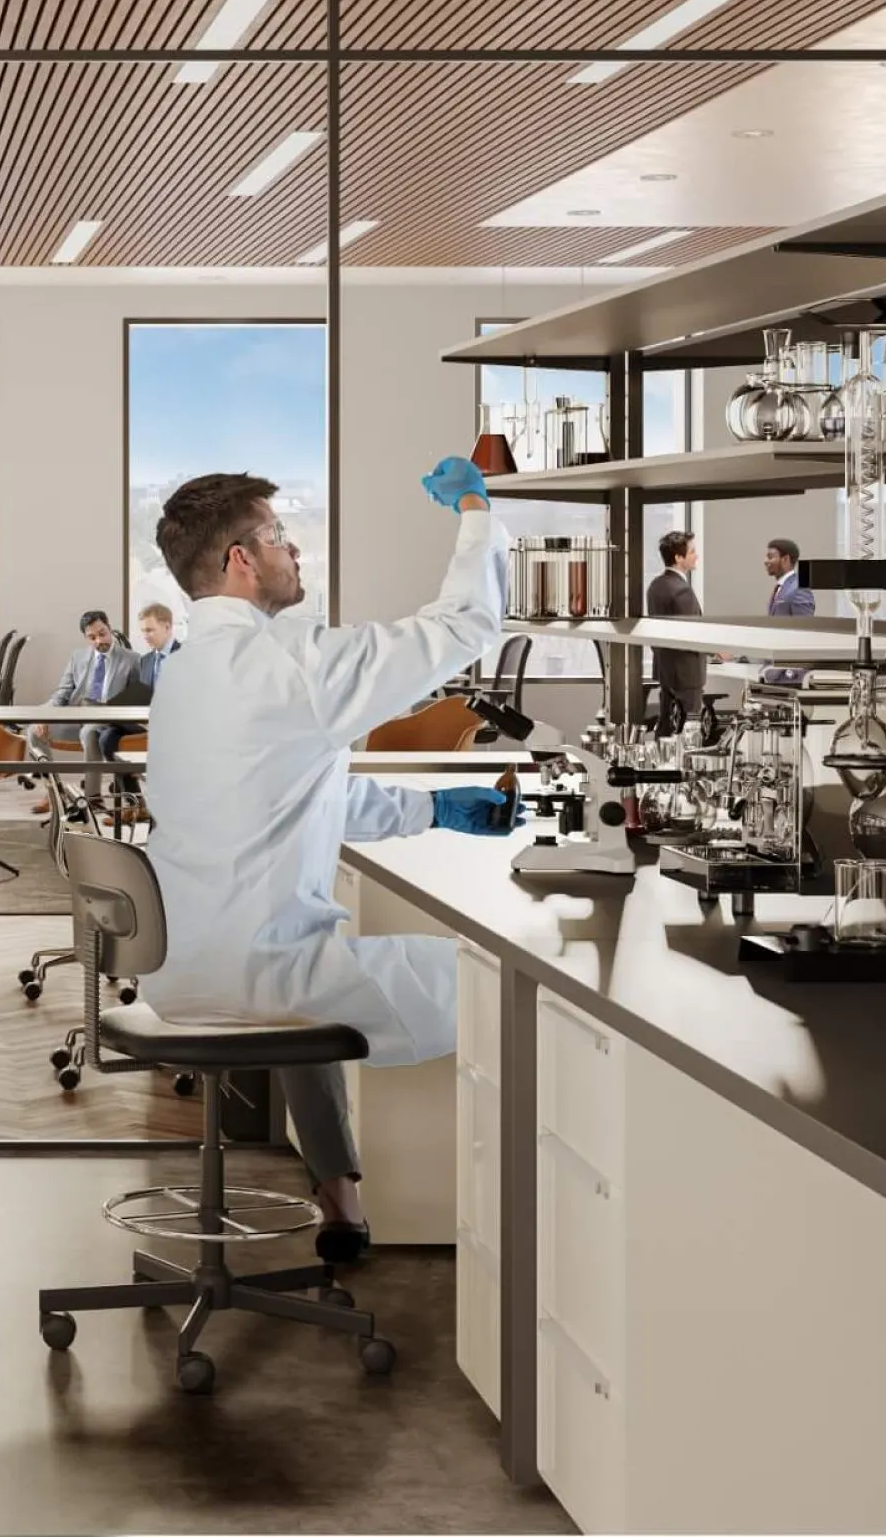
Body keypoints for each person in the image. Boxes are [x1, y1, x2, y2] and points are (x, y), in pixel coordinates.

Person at [140, 460, 513, 1262]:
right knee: (515, 990)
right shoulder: (293, 666)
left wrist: (430, 809)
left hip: (176, 972)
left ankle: (339, 1196)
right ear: (242, 558)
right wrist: (478, 510)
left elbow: (284, 800)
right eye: (279, 535)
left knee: (314, 988)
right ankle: (535, 1242)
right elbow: (464, 627)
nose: (294, 548)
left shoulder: (183, 674)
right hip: (266, 978)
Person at [36, 610, 140, 815]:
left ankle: (93, 799)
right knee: (33, 730)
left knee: (89, 732)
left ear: (110, 629)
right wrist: (45, 714)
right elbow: (63, 691)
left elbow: (135, 700)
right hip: (77, 715)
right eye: (92, 637)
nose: (99, 640)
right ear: (86, 638)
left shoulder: (132, 660)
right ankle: (54, 793)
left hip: (106, 718)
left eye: (103, 633)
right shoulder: (78, 657)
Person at [94, 603, 178, 804]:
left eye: (150, 630)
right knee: (107, 737)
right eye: (143, 631)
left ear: (167, 626)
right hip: (144, 722)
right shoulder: (146, 660)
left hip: (172, 726)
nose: (146, 636)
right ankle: (135, 801)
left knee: (106, 728)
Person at [647, 528, 708, 728]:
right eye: (691, 552)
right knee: (689, 731)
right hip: (686, 673)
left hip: (666, 670)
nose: (696, 556)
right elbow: (692, 633)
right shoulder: (681, 590)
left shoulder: (656, 586)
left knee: (666, 727)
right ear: (678, 557)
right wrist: (717, 650)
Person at [766, 537, 816, 616]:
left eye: (770, 557)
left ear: (785, 559)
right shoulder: (780, 588)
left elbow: (805, 625)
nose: (766, 561)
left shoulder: (799, 589)